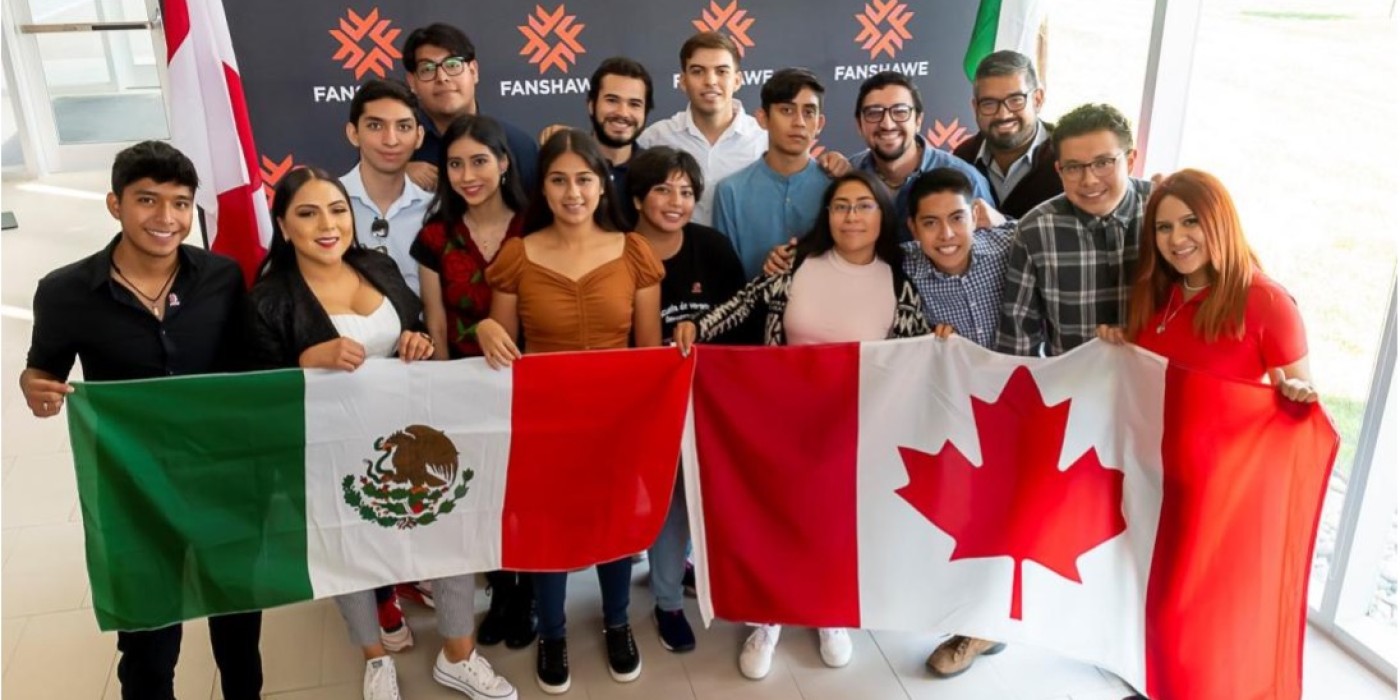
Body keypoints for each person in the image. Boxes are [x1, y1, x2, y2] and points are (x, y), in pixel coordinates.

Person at [246, 167, 518, 700]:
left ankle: (458, 655)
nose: (327, 224)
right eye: (308, 212)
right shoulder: (268, 299)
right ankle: (374, 659)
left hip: (408, 432)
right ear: (282, 225)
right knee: (347, 547)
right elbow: (259, 394)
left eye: (338, 210)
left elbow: (410, 326)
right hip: (331, 453)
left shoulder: (378, 264)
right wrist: (306, 360)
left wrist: (412, 342)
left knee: (446, 528)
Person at [19, 140, 264, 700]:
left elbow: (251, 373)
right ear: (115, 204)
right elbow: (41, 373)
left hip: (219, 480)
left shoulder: (222, 278)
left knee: (238, 627)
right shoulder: (63, 292)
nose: (166, 218)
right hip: (132, 489)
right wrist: (35, 389)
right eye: (147, 201)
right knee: (149, 643)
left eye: (180, 203)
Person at [674, 169, 929, 680]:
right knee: (776, 519)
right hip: (782, 422)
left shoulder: (900, 282)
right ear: (827, 215)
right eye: (841, 206)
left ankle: (827, 613)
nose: (851, 216)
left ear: (884, 215)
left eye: (864, 205)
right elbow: (744, 303)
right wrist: (695, 327)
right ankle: (767, 617)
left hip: (854, 432)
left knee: (833, 526)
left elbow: (919, 356)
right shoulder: (795, 265)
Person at [476, 129, 664, 694]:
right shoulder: (518, 254)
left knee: (612, 525)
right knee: (548, 531)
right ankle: (553, 632)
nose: (572, 191)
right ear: (543, 188)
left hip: (616, 422)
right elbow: (501, 344)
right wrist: (484, 327)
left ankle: (615, 623)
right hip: (543, 424)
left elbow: (650, 353)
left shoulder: (634, 251)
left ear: (602, 182)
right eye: (558, 180)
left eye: (584, 178)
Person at [411, 113, 540, 651]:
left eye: (480, 161)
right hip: (465, 389)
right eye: (456, 164)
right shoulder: (435, 235)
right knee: (484, 496)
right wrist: (444, 397)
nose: (468, 174)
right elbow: (436, 323)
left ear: (504, 163)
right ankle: (502, 588)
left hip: (531, 387)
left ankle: (528, 596)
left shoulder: (535, 224)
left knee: (529, 497)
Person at [625, 145, 748, 653]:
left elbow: (743, 316)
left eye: (686, 191)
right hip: (648, 405)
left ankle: (685, 571)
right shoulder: (620, 252)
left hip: (711, 402)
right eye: (661, 189)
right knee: (670, 500)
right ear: (636, 198)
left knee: (708, 497)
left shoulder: (713, 246)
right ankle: (669, 602)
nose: (676, 201)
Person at [898, 168, 1018, 675]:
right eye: (931, 223)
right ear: (912, 227)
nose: (946, 235)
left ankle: (981, 627)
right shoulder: (901, 266)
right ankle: (972, 615)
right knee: (957, 516)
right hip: (949, 408)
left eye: (957, 219)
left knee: (1005, 517)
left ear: (976, 216)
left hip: (1016, 404)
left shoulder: (1009, 246)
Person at [1098, 169, 1317, 402]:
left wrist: (1299, 390)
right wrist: (1121, 343)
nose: (1176, 239)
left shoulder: (1268, 301)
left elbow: (1303, 400)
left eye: (1190, 221)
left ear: (1219, 221)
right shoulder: (1156, 288)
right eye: (1164, 227)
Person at [996, 102, 1154, 357]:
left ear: (1131, 160)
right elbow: (1018, 339)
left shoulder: (1165, 213)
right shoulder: (1036, 230)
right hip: (1073, 386)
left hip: (1162, 382)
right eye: (1073, 167)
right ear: (1059, 170)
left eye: (1103, 163)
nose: (1089, 180)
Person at [636, 31, 765, 226]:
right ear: (683, 81)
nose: (710, 81)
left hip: (746, 256)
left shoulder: (764, 139)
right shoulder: (655, 138)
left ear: (737, 80)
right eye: (698, 71)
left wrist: (828, 165)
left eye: (721, 71)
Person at [711, 68, 831, 278]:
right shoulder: (730, 192)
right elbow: (723, 278)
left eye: (809, 112)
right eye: (787, 110)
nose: (799, 122)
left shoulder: (836, 187)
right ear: (762, 118)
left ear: (819, 123)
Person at [848, 71, 993, 241]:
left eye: (900, 112)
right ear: (859, 124)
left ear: (918, 120)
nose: (887, 124)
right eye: (874, 113)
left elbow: (991, 251)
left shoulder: (966, 178)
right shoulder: (848, 174)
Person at [402, 23, 539, 191]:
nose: (442, 78)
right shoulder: (398, 146)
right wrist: (395, 176)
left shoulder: (516, 145)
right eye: (428, 69)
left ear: (473, 71)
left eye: (452, 65)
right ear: (412, 82)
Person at [540, 57, 655, 228]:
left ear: (645, 112)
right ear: (591, 105)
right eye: (612, 100)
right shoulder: (560, 162)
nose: (622, 112)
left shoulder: (654, 172)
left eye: (634, 104)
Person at [342, 78, 432, 296]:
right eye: (375, 125)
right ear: (353, 133)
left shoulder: (434, 211)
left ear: (418, 137)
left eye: (403, 127)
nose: (391, 140)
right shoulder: (324, 204)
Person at [953, 50, 1062, 218]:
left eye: (1016, 100)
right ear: (975, 108)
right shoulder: (963, 158)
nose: (1003, 115)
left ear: (1037, 99)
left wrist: (1004, 225)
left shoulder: (1066, 155)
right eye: (989, 103)